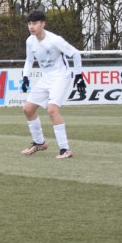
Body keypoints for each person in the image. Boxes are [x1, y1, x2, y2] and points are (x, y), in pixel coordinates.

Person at [20, 9, 85, 159]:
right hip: (46, 77)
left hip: (61, 76)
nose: (31, 26)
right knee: (28, 109)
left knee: (52, 110)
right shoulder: (30, 41)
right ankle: (39, 143)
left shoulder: (55, 40)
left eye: (35, 23)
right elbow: (29, 60)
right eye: (29, 23)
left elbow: (75, 54)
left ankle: (65, 149)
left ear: (43, 23)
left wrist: (78, 75)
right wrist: (25, 77)